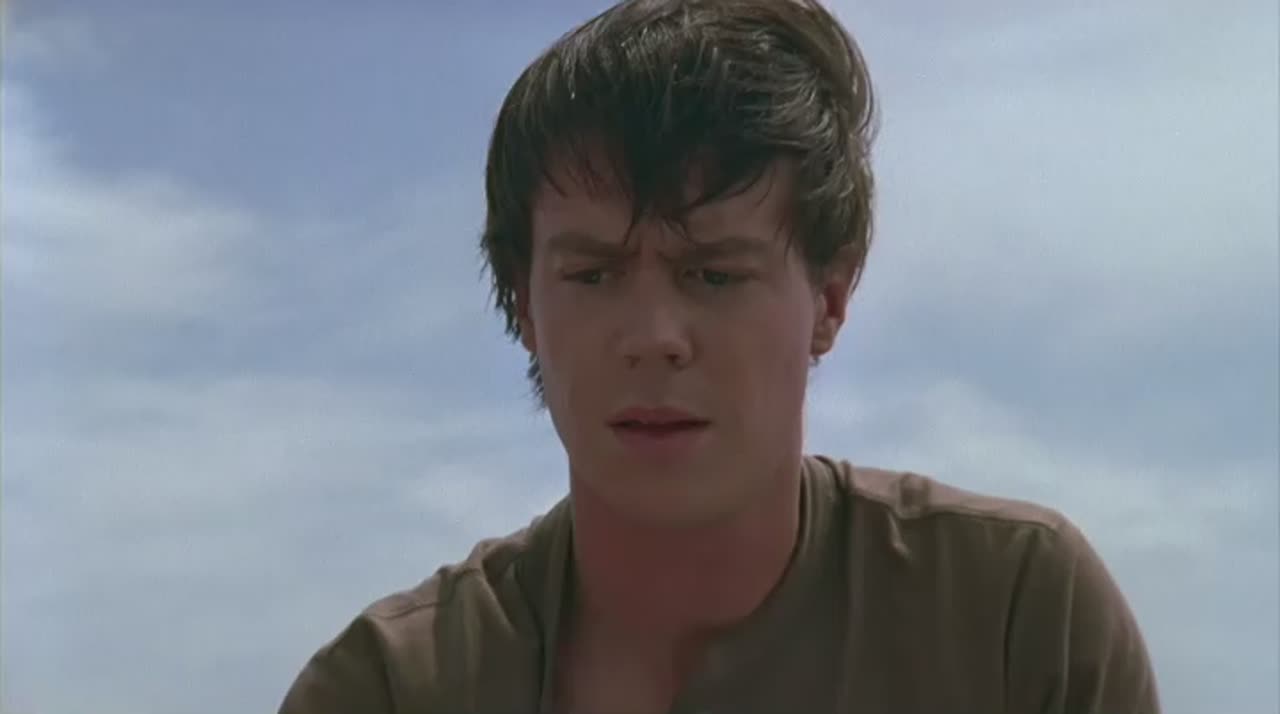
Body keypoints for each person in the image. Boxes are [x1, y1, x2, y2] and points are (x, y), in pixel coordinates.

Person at [279, 1, 1161, 712]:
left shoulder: (1013, 620)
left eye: (713, 274)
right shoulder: (393, 688)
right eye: (592, 275)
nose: (653, 336)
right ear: (523, 304)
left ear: (830, 298)